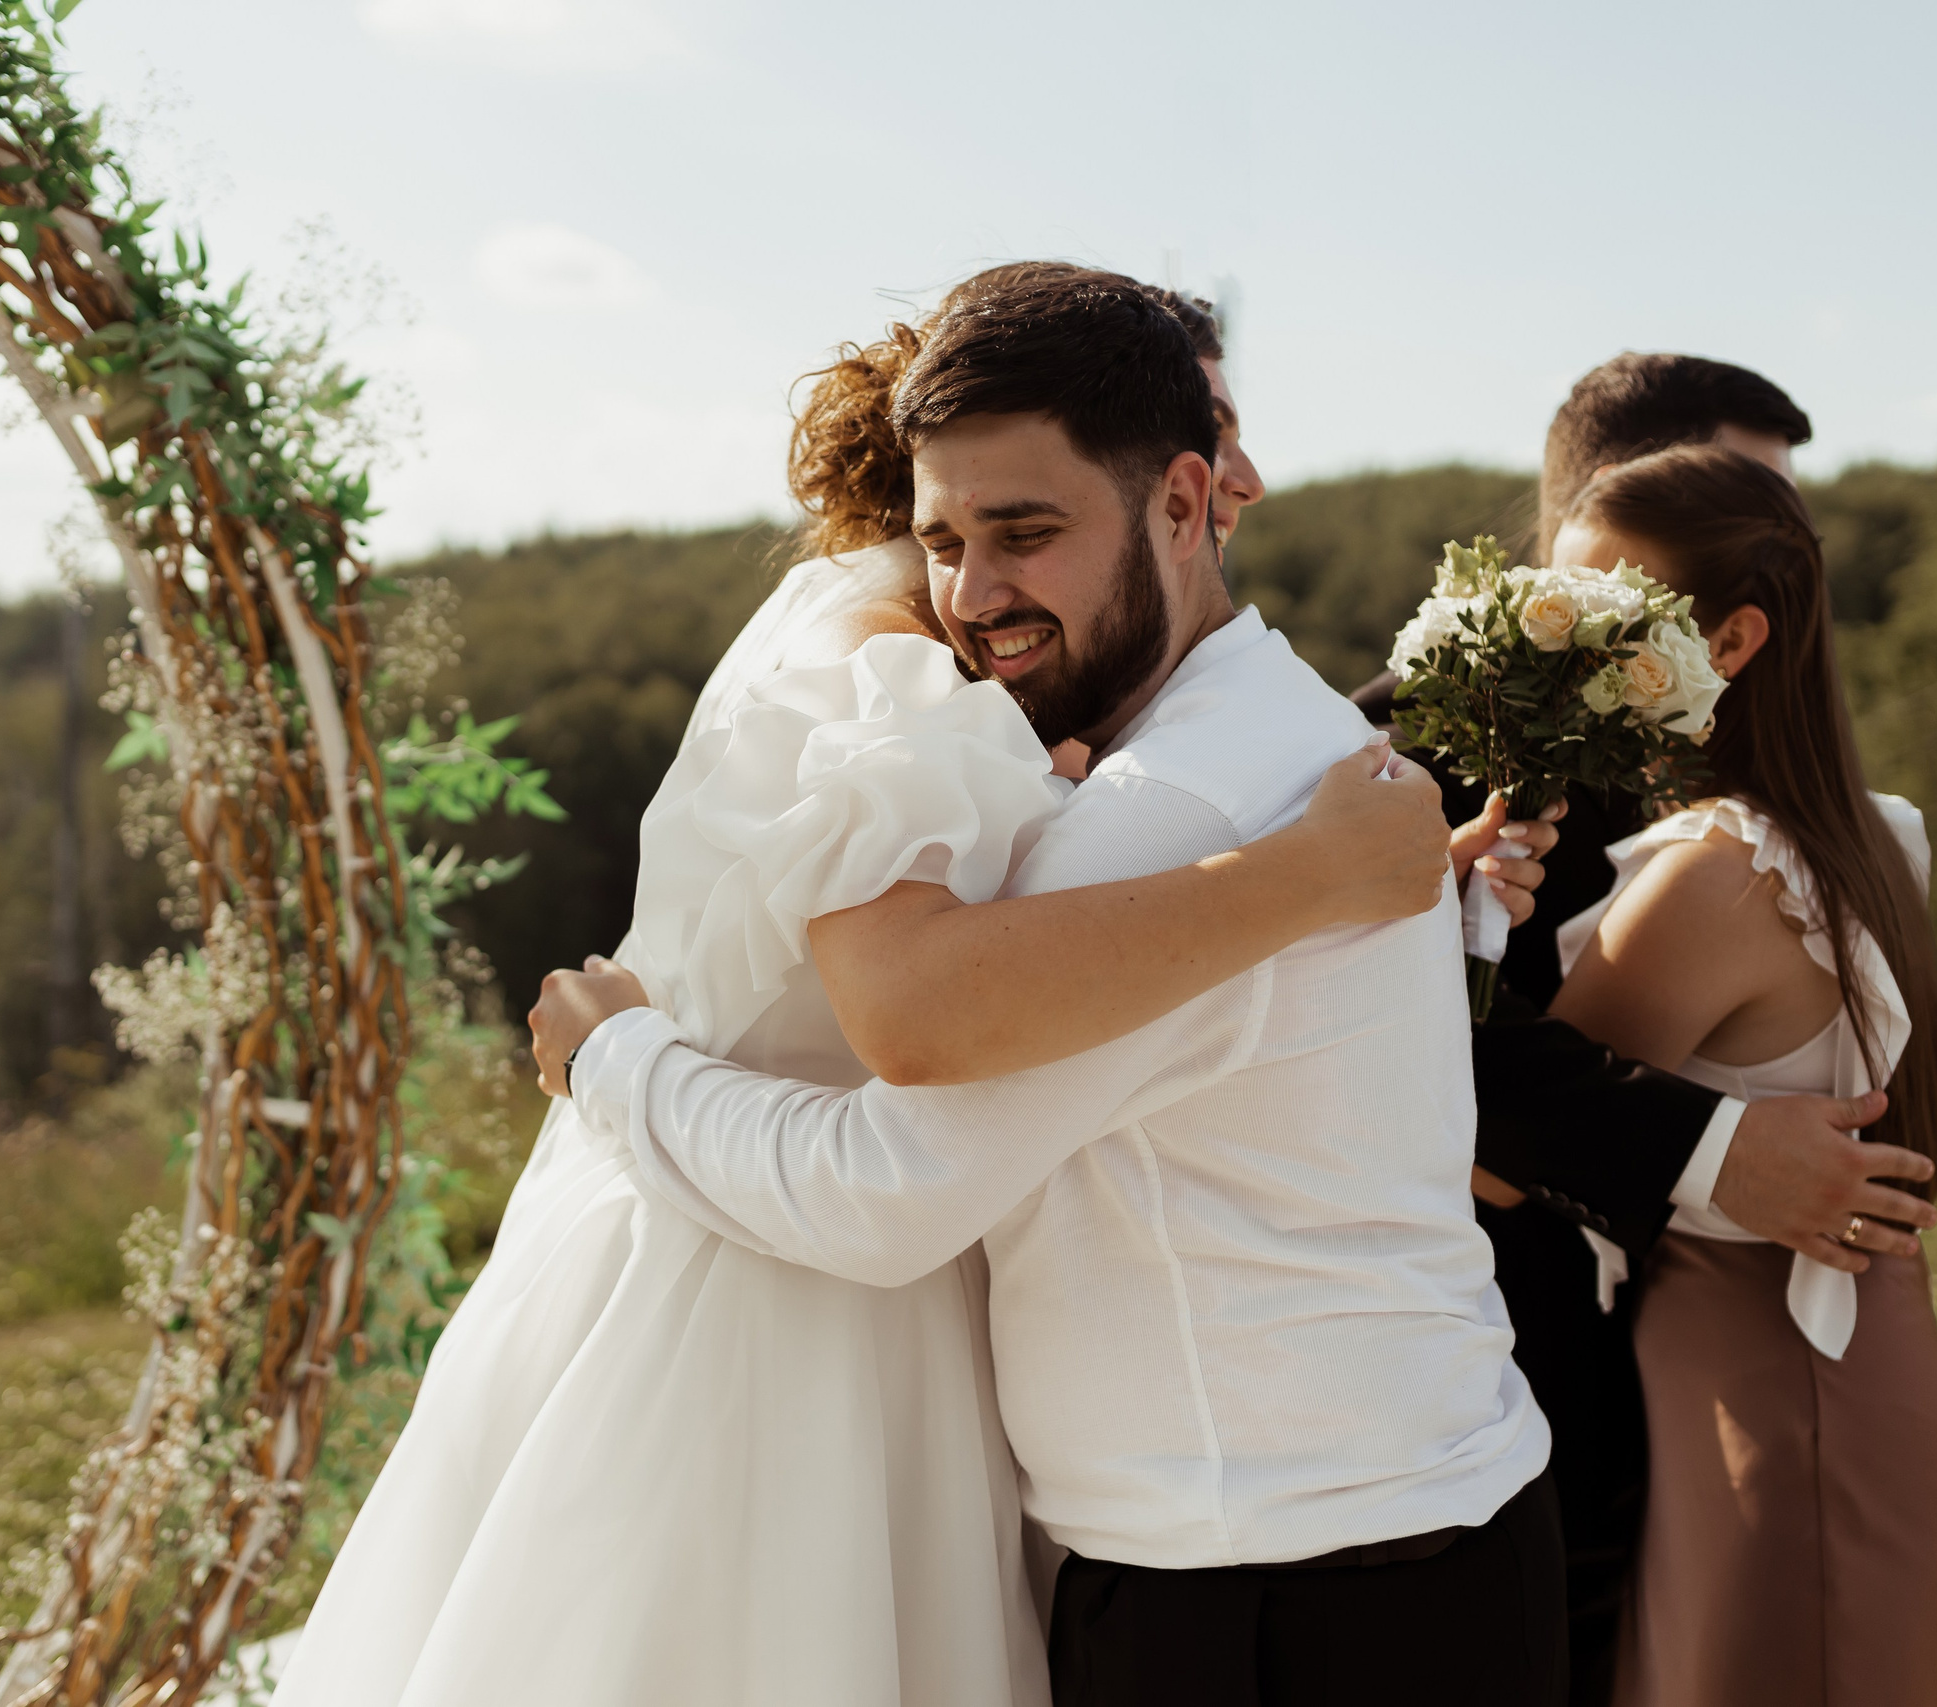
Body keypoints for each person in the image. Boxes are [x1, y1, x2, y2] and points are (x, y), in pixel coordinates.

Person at [267, 270, 1453, 1707]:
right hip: (774, 1283)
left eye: (1024, 530)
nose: (978, 582)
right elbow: (915, 1015)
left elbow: (930, 1042)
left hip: (859, 1272)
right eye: (958, 534)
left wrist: (617, 1065)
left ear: (1178, 497)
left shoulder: (1105, 747)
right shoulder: (902, 678)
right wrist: (1304, 878)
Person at [1351, 350, 1937, 1704]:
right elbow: (1436, 1069)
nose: (1791, 563)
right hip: (1515, 1398)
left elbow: (1808, 1052)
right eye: (1754, 505)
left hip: (1746, 1398)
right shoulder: (1405, 753)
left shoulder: (1774, 821)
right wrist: (1714, 1145)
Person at [1548, 442, 1937, 1704]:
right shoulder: (1877, 834)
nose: (1560, 653)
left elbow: (1499, 1138)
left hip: (1772, 1417)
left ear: (1732, 640)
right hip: (1886, 1391)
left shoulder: (1714, 873)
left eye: (1604, 616)